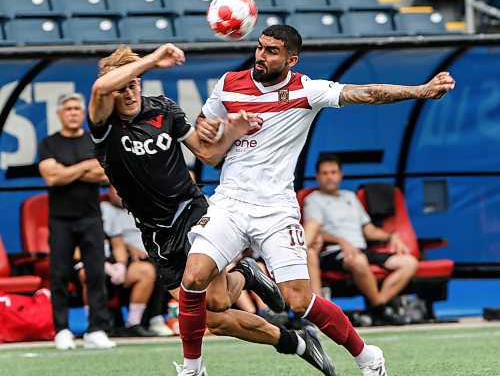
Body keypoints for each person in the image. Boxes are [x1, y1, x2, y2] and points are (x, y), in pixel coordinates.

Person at [184, 24, 456, 376]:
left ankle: (367, 355)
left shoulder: (307, 90)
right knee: (193, 279)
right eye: (260, 47)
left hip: (275, 210)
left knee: (300, 302)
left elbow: (368, 92)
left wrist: (421, 90)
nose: (261, 56)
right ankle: (192, 370)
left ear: (291, 59)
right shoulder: (228, 84)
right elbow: (206, 127)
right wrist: (205, 124)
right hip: (229, 203)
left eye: (271, 51)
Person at [88, 44, 336, 376]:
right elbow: (101, 88)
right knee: (215, 317)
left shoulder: (164, 109)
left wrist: (232, 132)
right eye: (122, 87)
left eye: (135, 83)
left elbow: (208, 155)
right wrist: (150, 61)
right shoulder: (103, 124)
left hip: (191, 212)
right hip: (156, 234)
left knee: (213, 306)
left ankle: (251, 299)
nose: (130, 92)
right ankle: (294, 338)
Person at [38, 93, 116, 350]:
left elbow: (104, 173)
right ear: (59, 113)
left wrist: (67, 170)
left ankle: (97, 329)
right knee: (59, 274)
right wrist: (85, 167)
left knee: (95, 274)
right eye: (68, 109)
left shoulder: (93, 139)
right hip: (60, 219)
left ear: (83, 113)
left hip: (91, 216)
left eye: (77, 109)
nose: (73, 112)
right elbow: (52, 178)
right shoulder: (49, 143)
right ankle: (61, 329)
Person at [303, 154, 419, 325]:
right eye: (325, 173)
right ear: (317, 176)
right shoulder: (313, 199)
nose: (329, 177)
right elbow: (314, 231)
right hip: (333, 252)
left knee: (409, 262)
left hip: (360, 249)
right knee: (358, 260)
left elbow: (369, 229)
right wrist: (341, 241)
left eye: (333, 172)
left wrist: (391, 235)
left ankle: (378, 306)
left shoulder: (350, 197)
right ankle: (381, 310)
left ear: (341, 174)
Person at [99, 185, 173, 337]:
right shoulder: (105, 209)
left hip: (151, 252)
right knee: (153, 267)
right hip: (125, 259)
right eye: (115, 189)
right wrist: (128, 248)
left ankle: (149, 319)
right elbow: (112, 241)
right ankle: (155, 318)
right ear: (108, 192)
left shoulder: (140, 209)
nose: (120, 193)